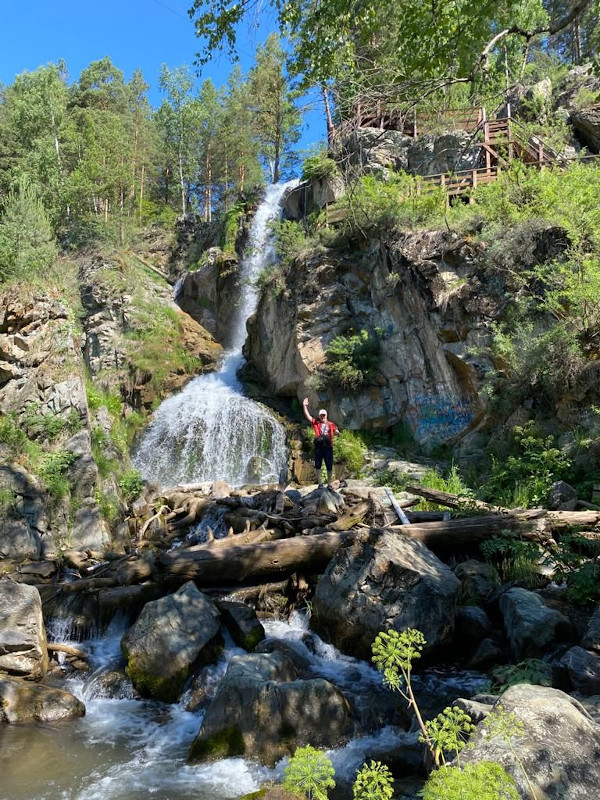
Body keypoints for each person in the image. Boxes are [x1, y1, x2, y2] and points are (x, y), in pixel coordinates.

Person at [302, 397, 341, 489]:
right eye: (321, 415)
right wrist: (304, 406)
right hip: (319, 447)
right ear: (319, 416)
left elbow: (337, 432)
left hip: (328, 447)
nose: (322, 417)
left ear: (326, 416)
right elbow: (308, 416)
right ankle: (320, 484)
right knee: (318, 466)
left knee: (329, 466)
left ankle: (329, 484)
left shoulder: (331, 424)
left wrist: (338, 433)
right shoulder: (316, 423)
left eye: (324, 415)